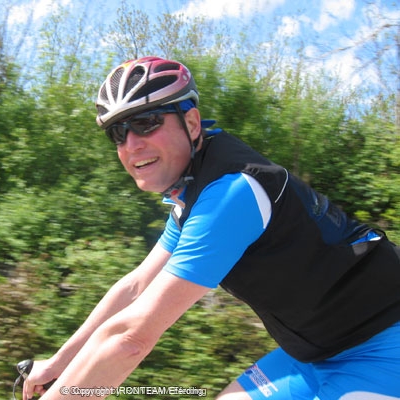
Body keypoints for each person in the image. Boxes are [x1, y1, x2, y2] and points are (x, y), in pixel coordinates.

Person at [23, 56, 400, 400]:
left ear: (191, 123)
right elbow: (135, 287)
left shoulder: (231, 194)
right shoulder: (193, 191)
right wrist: (58, 364)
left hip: (384, 347)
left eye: (145, 123)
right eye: (118, 132)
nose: (132, 144)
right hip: (312, 353)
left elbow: (131, 338)